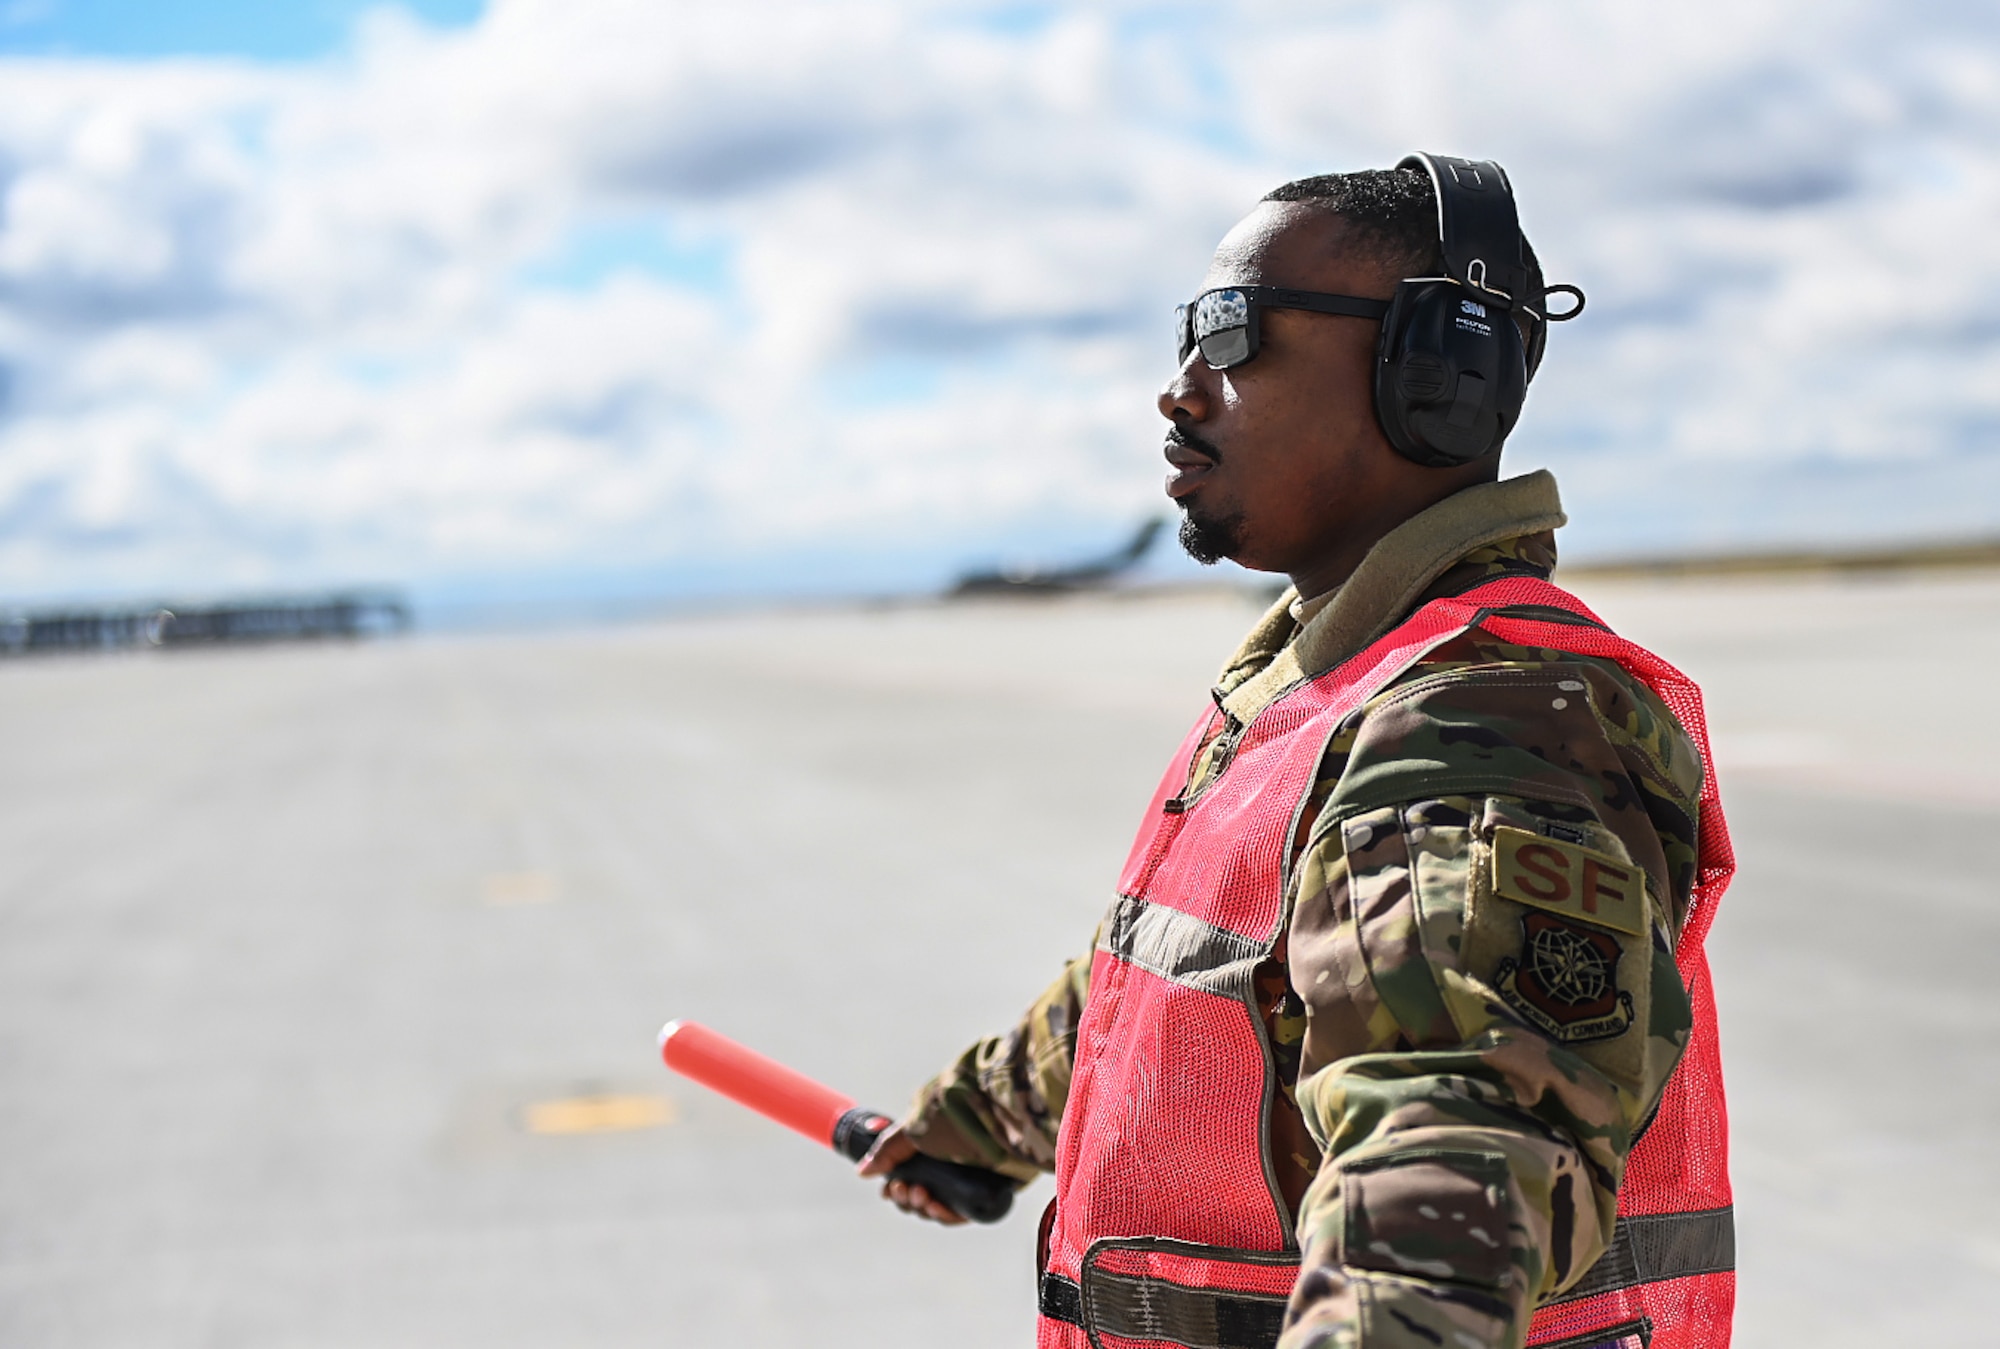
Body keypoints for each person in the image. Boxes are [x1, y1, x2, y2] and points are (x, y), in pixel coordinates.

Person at [860, 157, 1735, 1349]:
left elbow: (1447, 1174)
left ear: (1434, 373)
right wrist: (977, 1117)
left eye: (1229, 335)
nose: (1177, 394)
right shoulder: (1326, 681)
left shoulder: (1480, 727)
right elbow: (1202, 970)